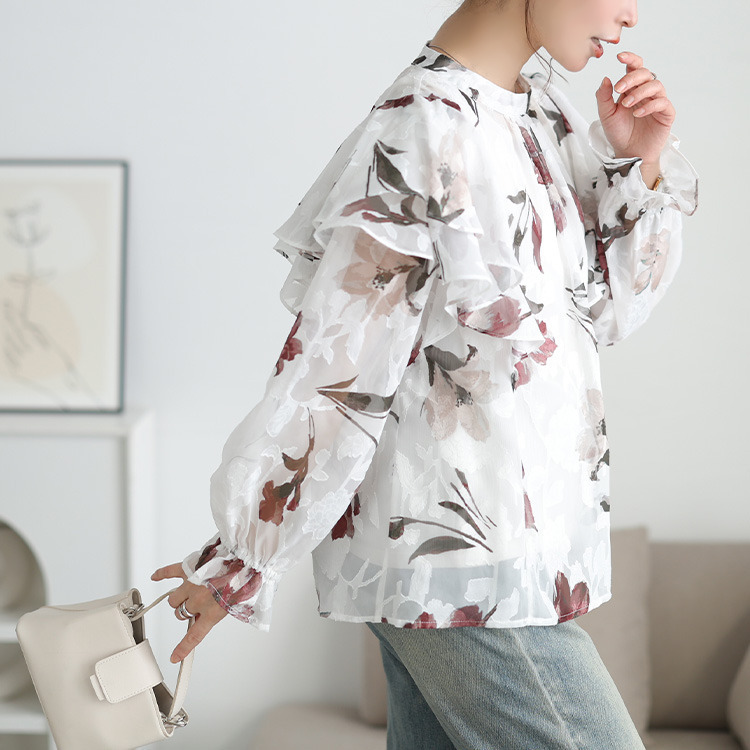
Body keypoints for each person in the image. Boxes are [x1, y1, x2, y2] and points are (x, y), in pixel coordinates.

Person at [151, 0, 699, 746]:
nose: (631, 14)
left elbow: (603, 311)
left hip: (503, 564)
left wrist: (642, 163)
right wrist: (243, 558)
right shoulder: (427, 124)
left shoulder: (538, 115)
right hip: (460, 568)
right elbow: (340, 364)